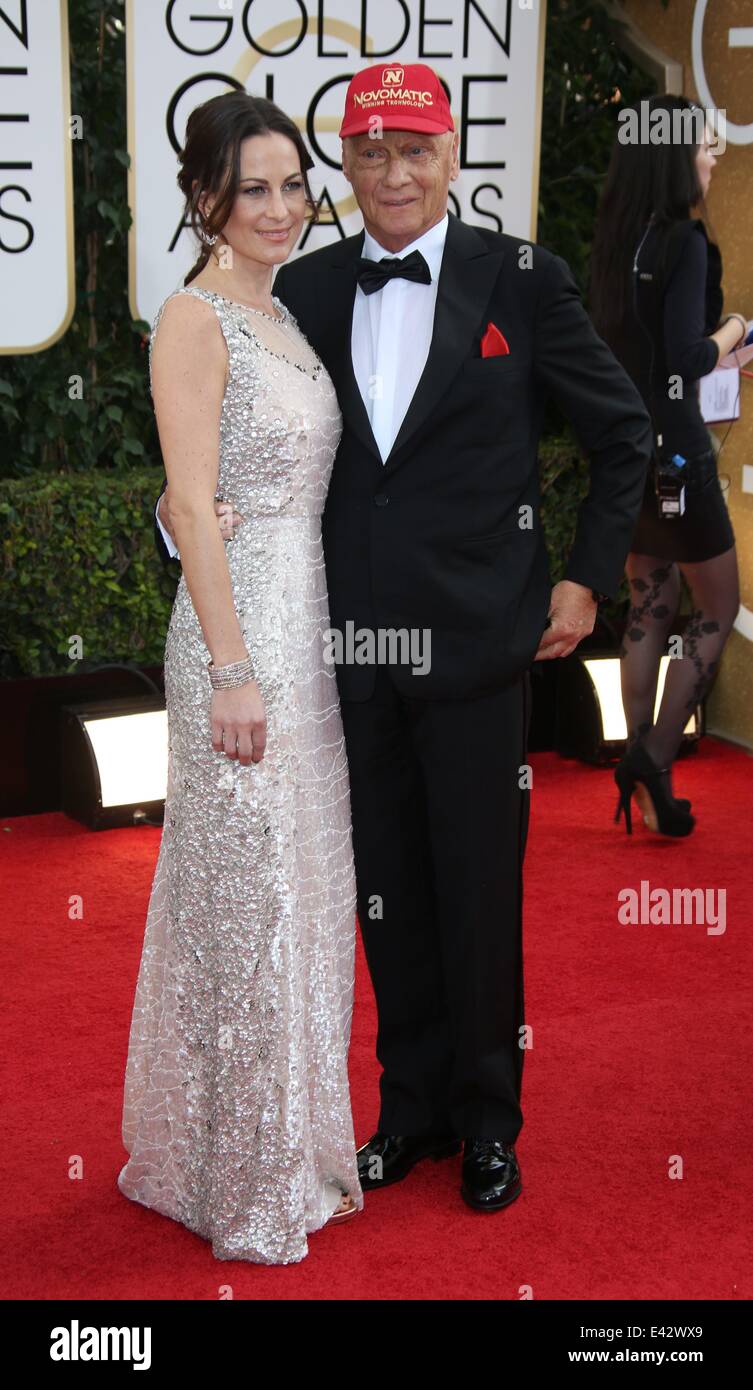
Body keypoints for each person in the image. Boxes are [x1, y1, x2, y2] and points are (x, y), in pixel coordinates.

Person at [159, 63, 652, 1212]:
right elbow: (227, 443)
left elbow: (622, 431)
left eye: (415, 150)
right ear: (349, 164)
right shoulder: (305, 289)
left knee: (477, 892)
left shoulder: (521, 281)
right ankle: (410, 1110)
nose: (392, 173)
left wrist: (584, 583)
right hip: (338, 653)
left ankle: (489, 1122)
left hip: (482, 648)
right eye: (370, 153)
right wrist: (183, 520)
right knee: (379, 889)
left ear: (452, 155)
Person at [118, 92, 363, 1266]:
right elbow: (193, 506)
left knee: (299, 902)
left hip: (304, 632)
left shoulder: (287, 311)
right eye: (250, 187)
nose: (278, 206)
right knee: (246, 904)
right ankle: (239, 1176)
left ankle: (289, 1150)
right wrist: (228, 668)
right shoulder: (194, 317)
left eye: (291, 183)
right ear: (205, 197)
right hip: (240, 644)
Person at [590, 95, 745, 838]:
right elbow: (684, 355)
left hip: (627, 451)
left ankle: (647, 778)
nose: (714, 159)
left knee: (649, 606)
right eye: (707, 147)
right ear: (674, 153)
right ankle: (650, 757)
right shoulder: (684, 241)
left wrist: (723, 354)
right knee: (716, 605)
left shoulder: (618, 239)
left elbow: (647, 355)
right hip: (677, 451)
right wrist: (739, 327)